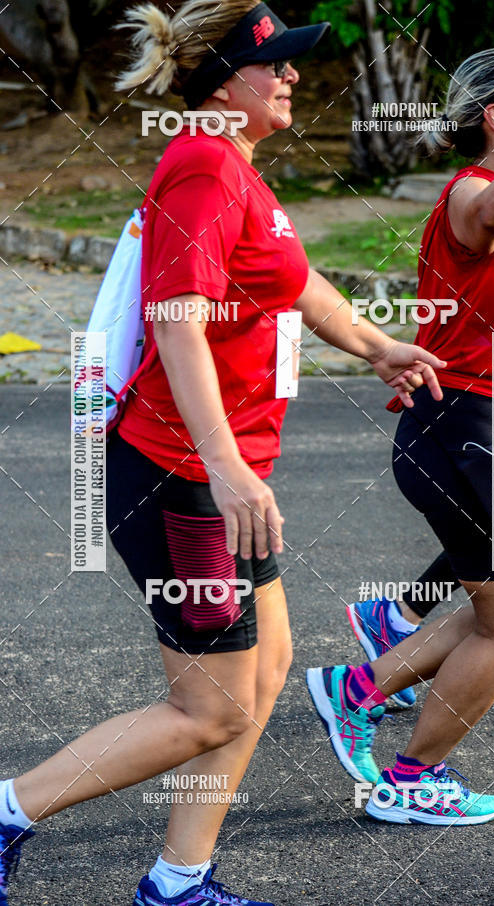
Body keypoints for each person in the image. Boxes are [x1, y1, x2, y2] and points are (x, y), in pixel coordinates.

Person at [0, 2, 446, 904]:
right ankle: (10, 809)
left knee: (267, 671)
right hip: (184, 480)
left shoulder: (237, 170)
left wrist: (376, 344)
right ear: (224, 79)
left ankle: (179, 879)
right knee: (212, 708)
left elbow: (296, 281)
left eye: (290, 64)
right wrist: (225, 466)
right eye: (274, 64)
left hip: (222, 475)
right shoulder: (202, 166)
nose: (290, 77)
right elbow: (177, 324)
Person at [306, 45, 494, 826]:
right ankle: (409, 775)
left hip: (479, 429)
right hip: (463, 438)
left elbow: (484, 330)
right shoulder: (473, 196)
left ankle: (358, 691)